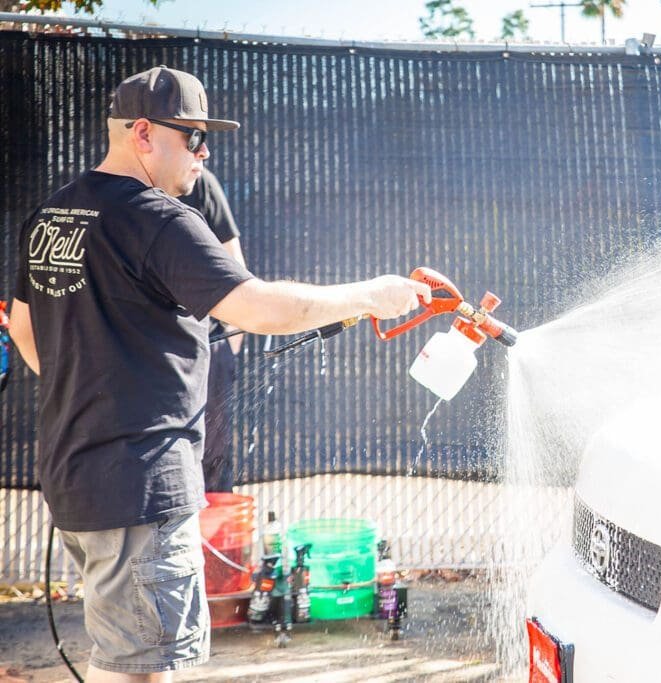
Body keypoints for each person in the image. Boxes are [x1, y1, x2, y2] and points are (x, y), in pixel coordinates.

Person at [7, 66, 430, 682]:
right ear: (145, 133)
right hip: (142, 484)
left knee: (124, 653)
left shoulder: (51, 215)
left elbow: (23, 329)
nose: (204, 154)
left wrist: (91, 379)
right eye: (194, 137)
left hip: (74, 475)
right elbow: (259, 308)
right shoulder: (159, 219)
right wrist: (372, 294)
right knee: (143, 668)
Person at [179, 167, 245, 492]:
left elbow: (236, 271)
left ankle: (216, 542)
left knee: (213, 454)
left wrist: (229, 344)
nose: (201, 152)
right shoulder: (120, 197)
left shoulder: (200, 183)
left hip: (210, 344)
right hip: (154, 353)